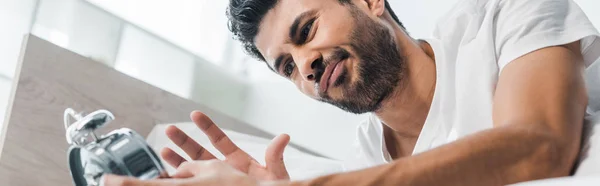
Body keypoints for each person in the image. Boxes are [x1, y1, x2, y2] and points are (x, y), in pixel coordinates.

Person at [102, 0, 600, 185]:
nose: (305, 65)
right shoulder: (361, 158)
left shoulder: (503, 17)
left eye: (307, 30)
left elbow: (540, 145)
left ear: (369, 1)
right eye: (286, 67)